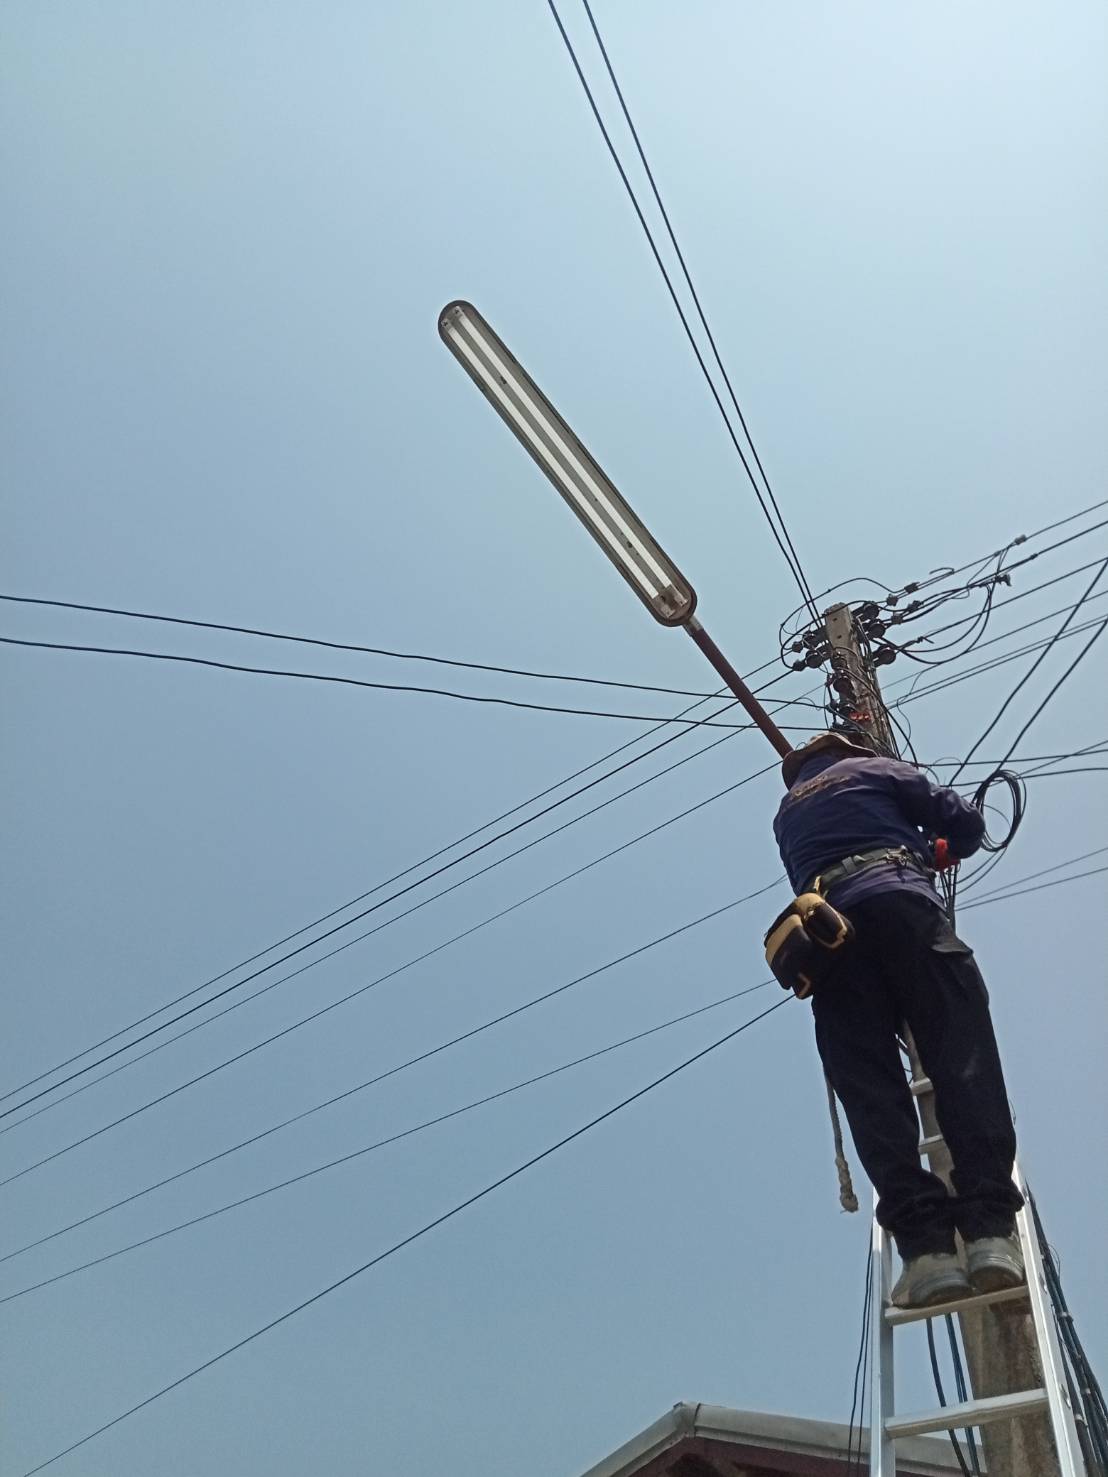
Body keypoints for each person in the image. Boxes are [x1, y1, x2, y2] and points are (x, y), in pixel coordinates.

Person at [773, 731, 1025, 1308]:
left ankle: (927, 1251)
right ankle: (990, 1233)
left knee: (872, 1092)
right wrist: (948, 845)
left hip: (829, 937)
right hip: (903, 907)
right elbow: (958, 818)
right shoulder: (877, 770)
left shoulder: (785, 814)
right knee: (963, 1059)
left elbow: (836, 851)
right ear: (850, 750)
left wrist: (918, 848)